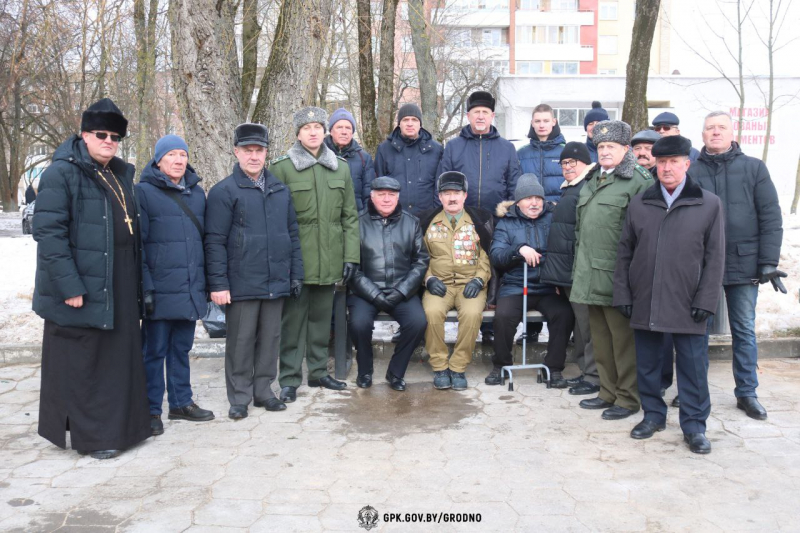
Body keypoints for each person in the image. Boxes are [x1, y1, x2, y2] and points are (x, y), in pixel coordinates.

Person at [33, 98, 150, 459]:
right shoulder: (61, 172)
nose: (109, 141)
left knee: (117, 361)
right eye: (101, 134)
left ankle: (123, 430)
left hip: (119, 280)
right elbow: (49, 234)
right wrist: (70, 286)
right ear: (84, 135)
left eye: (115, 136)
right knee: (87, 363)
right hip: (81, 284)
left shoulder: (117, 173)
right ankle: (94, 438)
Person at [614, 135, 725, 454]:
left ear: (687, 164)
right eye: (661, 162)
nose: (667, 168)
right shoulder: (640, 203)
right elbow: (624, 252)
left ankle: (694, 426)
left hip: (688, 302)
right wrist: (623, 292)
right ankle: (653, 416)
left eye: (674, 161)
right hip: (645, 298)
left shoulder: (709, 204)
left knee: (692, 367)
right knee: (647, 365)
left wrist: (706, 300)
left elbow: (715, 258)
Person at [691, 111, 786, 421]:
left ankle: (747, 391)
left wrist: (768, 261)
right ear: (702, 135)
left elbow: (770, 215)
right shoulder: (690, 171)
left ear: (733, 133)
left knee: (743, 329)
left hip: (743, 263)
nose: (715, 132)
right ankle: (694, 390)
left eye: (721, 128)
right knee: (696, 330)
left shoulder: (753, 168)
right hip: (701, 265)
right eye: (710, 128)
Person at [206, 123, 304, 419]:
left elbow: (292, 234)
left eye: (258, 150)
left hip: (276, 280)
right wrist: (218, 283)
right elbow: (214, 241)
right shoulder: (224, 191)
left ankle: (263, 390)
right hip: (241, 282)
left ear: (266, 153)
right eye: (247, 150)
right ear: (236, 152)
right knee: (241, 340)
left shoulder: (279, 189)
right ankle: (239, 396)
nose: (253, 156)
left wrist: (294, 274)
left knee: (270, 338)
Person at [270, 107, 360, 402]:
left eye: (318, 127)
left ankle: (319, 372)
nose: (313, 132)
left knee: (322, 319)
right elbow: (276, 222)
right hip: (298, 260)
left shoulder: (341, 167)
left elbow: (349, 217)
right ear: (297, 133)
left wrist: (351, 257)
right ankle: (290, 378)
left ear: (326, 132)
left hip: (331, 257)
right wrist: (284, 265)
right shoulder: (282, 168)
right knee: (292, 321)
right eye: (306, 127)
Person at [570, 120, 653, 421]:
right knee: (601, 340)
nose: (604, 151)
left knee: (623, 343)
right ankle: (607, 391)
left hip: (619, 278)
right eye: (601, 146)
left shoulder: (638, 182)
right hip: (590, 275)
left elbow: (644, 236)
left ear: (625, 150)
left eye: (611, 147)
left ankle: (628, 398)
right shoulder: (593, 179)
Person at [137, 134, 215, 435]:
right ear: (158, 160)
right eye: (171, 155)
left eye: (183, 154)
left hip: (188, 287)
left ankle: (181, 403)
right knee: (154, 351)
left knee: (181, 348)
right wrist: (145, 287)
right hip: (158, 290)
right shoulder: (143, 192)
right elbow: (139, 246)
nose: (179, 160)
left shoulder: (197, 194)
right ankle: (151, 410)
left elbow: (204, 240)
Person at [437, 90, 520, 345]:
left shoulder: (506, 148)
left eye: (485, 112)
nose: (481, 116)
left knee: (494, 267)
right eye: (476, 112)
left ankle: (489, 325)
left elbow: (514, 183)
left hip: (496, 220)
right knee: (466, 265)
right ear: (468, 115)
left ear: (492, 115)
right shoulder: (454, 146)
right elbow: (443, 181)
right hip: (464, 218)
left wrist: (507, 213)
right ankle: (465, 313)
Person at [486, 175, 574, 388]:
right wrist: (518, 250)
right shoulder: (506, 223)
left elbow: (564, 249)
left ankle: (553, 368)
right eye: (528, 198)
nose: (534, 203)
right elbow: (496, 255)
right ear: (518, 201)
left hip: (547, 284)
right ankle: (501, 365)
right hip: (516, 284)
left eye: (538, 198)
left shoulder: (553, 218)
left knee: (563, 314)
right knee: (504, 317)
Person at [348, 177, 429, 390]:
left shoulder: (412, 223)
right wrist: (373, 294)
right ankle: (365, 370)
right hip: (366, 291)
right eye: (381, 194)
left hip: (401, 290)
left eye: (391, 195)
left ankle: (395, 372)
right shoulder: (357, 222)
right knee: (358, 324)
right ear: (372, 196)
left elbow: (421, 262)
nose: (386, 199)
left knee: (418, 322)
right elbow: (351, 265)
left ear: (398, 197)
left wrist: (401, 292)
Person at [420, 171, 493, 390]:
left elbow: (487, 255)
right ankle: (440, 366)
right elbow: (419, 256)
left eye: (457, 193)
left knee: (471, 315)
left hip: (469, 284)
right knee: (431, 313)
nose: (452, 198)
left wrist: (479, 280)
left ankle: (458, 367)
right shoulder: (426, 221)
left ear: (465, 195)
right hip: (438, 284)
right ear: (439, 197)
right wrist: (428, 278)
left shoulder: (479, 220)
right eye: (447, 193)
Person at [540, 142, 600, 396]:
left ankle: (594, 377)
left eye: (571, 163)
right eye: (563, 164)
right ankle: (585, 372)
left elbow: (583, 237)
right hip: (568, 273)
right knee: (580, 326)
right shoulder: (571, 189)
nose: (567, 168)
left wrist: (576, 271)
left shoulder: (586, 188)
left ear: (585, 163)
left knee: (589, 328)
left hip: (581, 273)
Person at [632, 127, 680, 406]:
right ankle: (647, 387)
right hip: (641, 265)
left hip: (671, 269)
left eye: (648, 148)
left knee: (666, 335)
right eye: (637, 147)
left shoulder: (670, 182)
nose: (642, 152)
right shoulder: (632, 180)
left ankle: (663, 383)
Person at [374, 103, 443, 217]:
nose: (410, 124)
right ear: (399, 124)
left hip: (427, 216)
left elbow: (439, 186)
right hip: (395, 217)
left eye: (414, 120)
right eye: (405, 120)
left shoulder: (436, 149)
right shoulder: (385, 149)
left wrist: (436, 213)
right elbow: (379, 185)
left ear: (420, 124)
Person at [324, 107, 375, 212]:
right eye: (339, 127)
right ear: (331, 131)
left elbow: (369, 193)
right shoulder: (320, 154)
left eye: (348, 128)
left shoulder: (364, 158)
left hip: (355, 218)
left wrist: (364, 218)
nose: (344, 132)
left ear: (352, 132)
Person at [517, 104, 566, 203]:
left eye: (546, 121)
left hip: (558, 214)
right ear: (532, 123)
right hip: (530, 214)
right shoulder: (521, 154)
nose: (542, 125)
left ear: (554, 122)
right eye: (537, 121)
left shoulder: (566, 152)